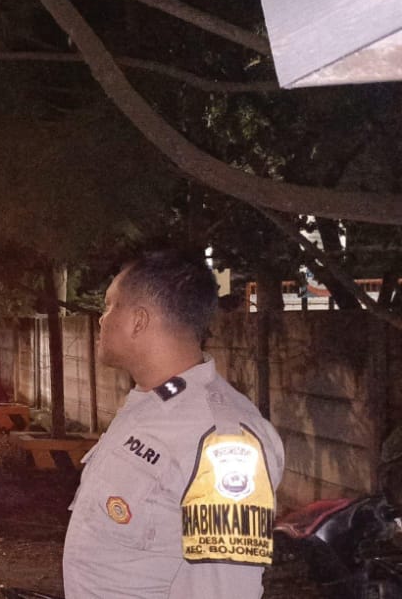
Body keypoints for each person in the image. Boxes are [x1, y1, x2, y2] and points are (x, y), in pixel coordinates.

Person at [63, 250, 285, 598]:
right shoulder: (149, 407)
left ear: (138, 321)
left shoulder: (225, 442)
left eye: (109, 306)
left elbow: (225, 591)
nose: (101, 319)